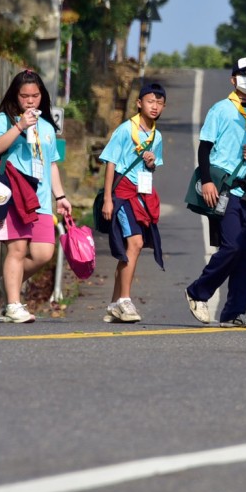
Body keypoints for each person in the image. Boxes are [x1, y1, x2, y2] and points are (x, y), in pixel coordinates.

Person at [185, 56, 246, 328]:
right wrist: (207, 181)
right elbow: (205, 147)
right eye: (245, 73)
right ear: (233, 79)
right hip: (226, 189)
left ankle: (234, 312)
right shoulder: (221, 109)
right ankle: (197, 291)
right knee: (231, 246)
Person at [0, 70, 72, 324]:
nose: (30, 101)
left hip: (42, 200)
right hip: (13, 195)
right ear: (16, 96)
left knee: (44, 253)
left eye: (35, 96)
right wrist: (20, 126)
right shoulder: (4, 120)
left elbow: (52, 164)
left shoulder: (47, 127)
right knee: (17, 248)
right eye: (25, 96)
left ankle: (9, 282)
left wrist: (61, 196)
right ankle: (13, 304)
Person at [97, 82, 166, 323]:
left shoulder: (157, 135)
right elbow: (110, 162)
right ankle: (125, 300)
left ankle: (115, 304)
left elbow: (152, 168)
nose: (154, 106)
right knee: (135, 243)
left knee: (130, 249)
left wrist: (151, 162)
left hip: (142, 195)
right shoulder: (126, 130)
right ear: (139, 103)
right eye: (150, 101)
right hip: (122, 194)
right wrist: (108, 199)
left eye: (159, 103)